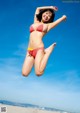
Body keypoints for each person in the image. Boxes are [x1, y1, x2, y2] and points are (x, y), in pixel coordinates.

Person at [22, 6, 67, 77]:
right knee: (24, 73)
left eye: (49, 16)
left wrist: (63, 17)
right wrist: (51, 7)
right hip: (29, 50)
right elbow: (38, 8)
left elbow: (58, 21)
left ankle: (48, 51)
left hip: (39, 49)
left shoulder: (48, 25)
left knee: (39, 73)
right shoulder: (35, 21)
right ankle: (46, 52)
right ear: (42, 13)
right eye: (46, 13)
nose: (47, 16)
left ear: (50, 18)